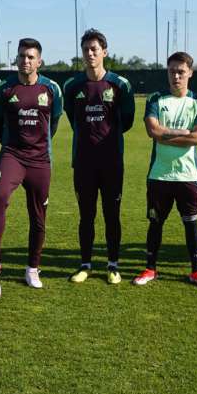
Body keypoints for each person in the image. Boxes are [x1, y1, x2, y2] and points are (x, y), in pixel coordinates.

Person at [0, 38, 62, 288]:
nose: (26, 61)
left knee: (38, 214)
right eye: (22, 56)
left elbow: (53, 124)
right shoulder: (4, 89)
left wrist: (37, 145)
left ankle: (33, 268)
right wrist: (12, 146)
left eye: (31, 57)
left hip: (40, 160)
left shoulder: (52, 89)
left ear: (39, 61)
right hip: (12, 155)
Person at [62, 29, 136, 284]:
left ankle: (113, 265)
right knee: (86, 215)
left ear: (105, 52)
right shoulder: (72, 87)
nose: (90, 53)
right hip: (83, 161)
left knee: (112, 213)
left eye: (94, 49)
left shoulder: (120, 84)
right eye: (86, 49)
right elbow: (73, 120)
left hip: (112, 161)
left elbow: (126, 121)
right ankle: (85, 264)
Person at [135, 52, 197, 287]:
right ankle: (150, 269)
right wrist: (183, 133)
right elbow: (154, 132)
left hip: (188, 175)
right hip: (159, 174)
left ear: (190, 73)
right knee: (155, 223)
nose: (176, 76)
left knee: (191, 223)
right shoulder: (156, 99)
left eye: (180, 71)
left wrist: (167, 134)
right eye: (172, 71)